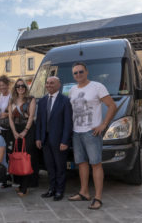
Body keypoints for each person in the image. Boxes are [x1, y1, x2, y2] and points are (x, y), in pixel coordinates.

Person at [68, 62, 116, 210]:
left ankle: (98, 197)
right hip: (76, 132)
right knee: (81, 163)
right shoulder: (72, 90)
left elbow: (112, 106)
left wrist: (103, 125)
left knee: (96, 164)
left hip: (92, 132)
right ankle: (84, 193)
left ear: (87, 72)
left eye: (81, 72)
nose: (78, 75)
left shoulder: (97, 86)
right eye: (75, 73)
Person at [36, 77, 73, 201]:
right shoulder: (42, 101)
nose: (49, 85)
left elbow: (68, 123)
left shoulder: (65, 101)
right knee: (49, 167)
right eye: (47, 83)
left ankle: (59, 191)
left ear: (59, 84)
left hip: (59, 141)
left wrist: (65, 141)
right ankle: (51, 189)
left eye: (52, 83)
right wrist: (38, 138)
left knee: (60, 167)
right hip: (45, 140)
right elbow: (40, 122)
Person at [8, 78, 39, 196]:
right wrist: (15, 132)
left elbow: (31, 117)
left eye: (22, 86)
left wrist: (25, 131)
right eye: (18, 86)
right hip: (15, 130)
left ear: (26, 87)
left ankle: (25, 187)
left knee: (26, 156)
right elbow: (10, 118)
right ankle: (20, 184)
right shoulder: (12, 101)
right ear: (15, 88)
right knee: (17, 156)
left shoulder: (31, 99)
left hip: (28, 130)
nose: (20, 88)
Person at [0, 75, 12, 188]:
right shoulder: (1, 96)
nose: (1, 87)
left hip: (10, 129)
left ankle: (12, 178)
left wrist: (6, 114)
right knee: (3, 154)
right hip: (2, 129)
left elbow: (17, 111)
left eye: (3, 85)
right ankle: (6, 178)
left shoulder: (12, 96)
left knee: (10, 154)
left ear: (7, 85)